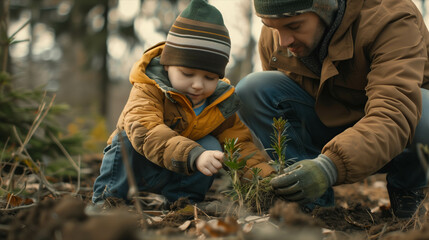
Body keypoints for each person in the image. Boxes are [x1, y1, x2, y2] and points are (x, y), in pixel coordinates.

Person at [235, 0, 429, 218]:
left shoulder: (391, 18)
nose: (283, 41)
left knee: (424, 107)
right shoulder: (277, 32)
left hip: (396, 138)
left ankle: (407, 191)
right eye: (273, 27)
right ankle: (309, 200)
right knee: (253, 88)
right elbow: (276, 114)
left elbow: (395, 112)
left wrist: (329, 167)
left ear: (325, 8)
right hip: (324, 127)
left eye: (295, 26)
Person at [92, 0, 275, 205]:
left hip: (178, 170)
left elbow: (240, 145)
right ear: (167, 64)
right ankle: (108, 199)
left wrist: (266, 181)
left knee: (211, 145)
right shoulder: (149, 88)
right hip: (138, 168)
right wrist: (194, 155)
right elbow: (146, 130)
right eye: (187, 74)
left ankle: (182, 201)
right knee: (126, 138)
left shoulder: (218, 102)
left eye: (210, 78)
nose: (198, 85)